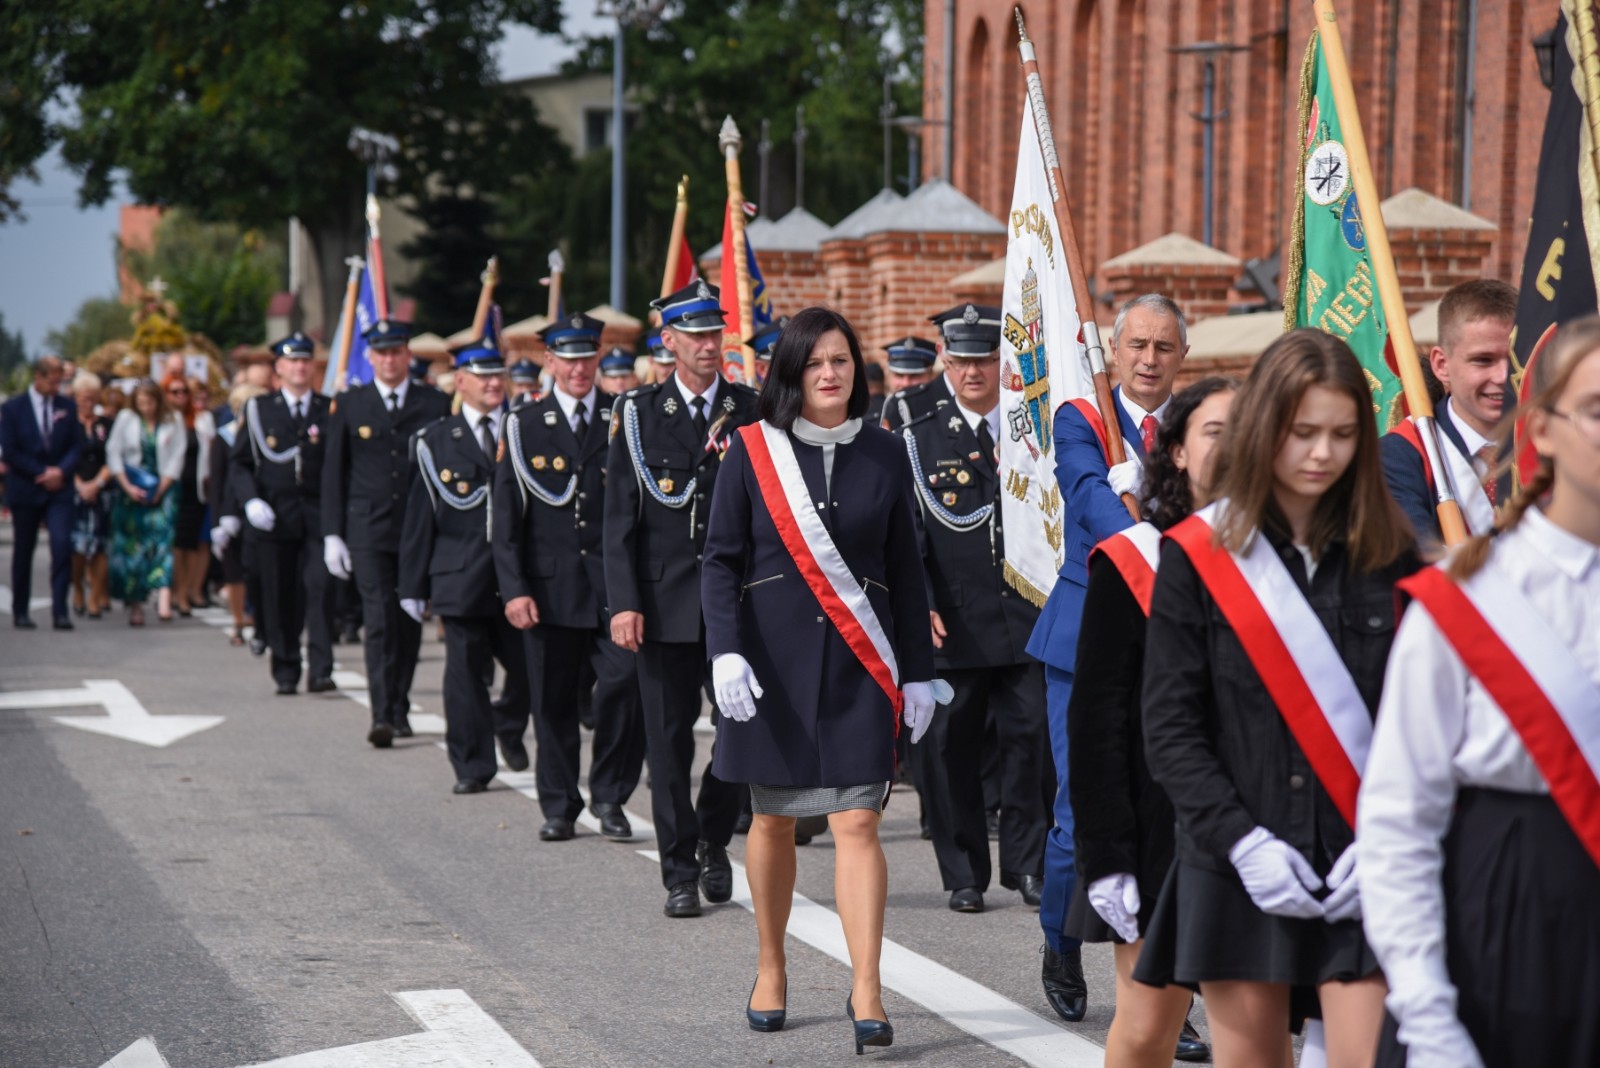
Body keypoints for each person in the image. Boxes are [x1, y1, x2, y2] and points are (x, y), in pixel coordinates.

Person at [1135, 328, 1419, 1068]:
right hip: (1238, 859)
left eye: (1343, 434)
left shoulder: (1392, 555)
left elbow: (1421, 722)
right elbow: (1170, 725)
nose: (1322, 453)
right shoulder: (1198, 553)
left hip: (1365, 858)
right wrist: (1243, 842)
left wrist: (1389, 836)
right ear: (1265, 428)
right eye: (1303, 433)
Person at [1360, 316, 1600, 1068]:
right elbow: (1399, 821)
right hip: (1511, 918)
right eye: (1597, 410)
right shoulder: (1471, 597)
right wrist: (1426, 1013)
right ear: (1544, 430)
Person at [701, 306, 939, 1050]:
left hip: (860, 664)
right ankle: (771, 965)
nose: (829, 373)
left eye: (840, 360)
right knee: (773, 819)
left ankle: (866, 987)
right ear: (790, 374)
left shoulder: (886, 451)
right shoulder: (751, 450)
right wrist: (725, 651)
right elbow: (720, 561)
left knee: (859, 819)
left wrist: (920, 673)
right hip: (770, 666)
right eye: (813, 363)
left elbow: (906, 569)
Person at [1024, 292, 1188, 1020]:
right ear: (1114, 351)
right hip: (1088, 634)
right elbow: (1087, 496)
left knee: (1171, 810)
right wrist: (1145, 529)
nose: (1149, 359)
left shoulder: (1195, 425)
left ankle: (1165, 990)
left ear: (1182, 356)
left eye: (1163, 347)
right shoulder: (1082, 417)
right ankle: (1061, 940)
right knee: (1076, 810)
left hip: (1175, 636)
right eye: (1138, 346)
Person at [1065, 378, 1238, 1066]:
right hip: (1159, 829)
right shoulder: (1135, 558)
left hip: (1263, 826)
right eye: (1214, 432)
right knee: (1146, 1030)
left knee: (1252, 1036)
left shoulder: (1289, 555)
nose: (1232, 446)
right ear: (1177, 452)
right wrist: (1107, 854)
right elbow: (1096, 718)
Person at [605, 280, 760, 918]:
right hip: (663, 602)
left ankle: (713, 837)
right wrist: (623, 602)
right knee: (667, 742)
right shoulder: (638, 413)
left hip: (737, 604)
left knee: (738, 734)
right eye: (694, 335)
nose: (707, 344)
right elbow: (619, 519)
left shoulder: (751, 409)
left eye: (714, 332)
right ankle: (678, 870)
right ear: (668, 341)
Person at [901, 302, 1051, 914]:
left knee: (1033, 740)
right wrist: (921, 603)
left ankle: (1028, 863)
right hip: (953, 620)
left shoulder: (1032, 430)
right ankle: (963, 872)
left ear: (1002, 361)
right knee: (949, 749)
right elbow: (905, 536)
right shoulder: (918, 434)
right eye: (961, 360)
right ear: (944, 359)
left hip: (1026, 613)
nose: (972, 372)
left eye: (985, 360)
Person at [495, 314, 645, 840]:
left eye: (587, 358)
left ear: (598, 358)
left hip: (613, 588)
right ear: (550, 362)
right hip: (550, 587)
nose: (579, 369)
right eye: (568, 359)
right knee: (553, 701)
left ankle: (610, 795)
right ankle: (559, 805)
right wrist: (514, 589)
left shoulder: (623, 417)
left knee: (625, 685)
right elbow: (506, 519)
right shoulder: (523, 424)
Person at [398, 335, 528, 794]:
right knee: (465, 674)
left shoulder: (523, 429)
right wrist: (412, 585)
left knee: (531, 668)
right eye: (482, 376)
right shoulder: (434, 440)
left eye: (498, 375)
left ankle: (507, 722)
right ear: (460, 381)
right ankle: (472, 764)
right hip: (460, 574)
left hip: (518, 577)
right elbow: (420, 517)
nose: (493, 383)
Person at [322, 319, 451, 747]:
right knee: (378, 618)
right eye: (381, 353)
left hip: (418, 528)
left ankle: (400, 704)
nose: (389, 360)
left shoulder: (433, 402)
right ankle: (381, 713)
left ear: (407, 355)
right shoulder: (351, 403)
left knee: (409, 619)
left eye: (396, 352)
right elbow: (334, 471)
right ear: (371, 357)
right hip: (368, 528)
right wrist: (332, 533)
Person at [230, 333, 336, 694]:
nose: (300, 367)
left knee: (320, 589)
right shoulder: (260, 409)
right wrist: (250, 501)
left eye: (305, 360)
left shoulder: (329, 408)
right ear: (279, 367)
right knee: (280, 594)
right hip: (276, 516)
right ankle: (287, 667)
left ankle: (321, 669)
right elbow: (240, 463)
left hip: (319, 515)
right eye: (292, 361)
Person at [1381, 280, 1517, 545]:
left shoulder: (1558, 443)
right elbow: (1419, 557)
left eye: (1513, 358)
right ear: (1442, 365)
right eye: (1483, 360)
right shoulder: (1400, 456)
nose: (1502, 376)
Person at [1, 355, 86, 629]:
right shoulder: (13, 408)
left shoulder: (67, 407)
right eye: (52, 382)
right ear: (38, 377)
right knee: (24, 549)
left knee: (61, 545)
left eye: (60, 382)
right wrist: (41, 472)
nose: (56, 387)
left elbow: (77, 445)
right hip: (27, 487)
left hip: (59, 489)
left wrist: (60, 471)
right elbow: (10, 450)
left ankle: (60, 611)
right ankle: (21, 610)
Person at [106, 379, 186, 626]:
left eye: (150, 403)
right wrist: (127, 487)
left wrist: (162, 488)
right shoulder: (126, 418)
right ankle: (136, 604)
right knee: (134, 547)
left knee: (164, 541)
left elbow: (177, 455)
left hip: (164, 487)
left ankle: (164, 596)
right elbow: (113, 452)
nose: (146, 408)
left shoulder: (173, 419)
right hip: (132, 487)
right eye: (141, 403)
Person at [209, 382, 266, 646]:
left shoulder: (266, 435)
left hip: (260, 511)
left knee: (257, 570)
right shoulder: (225, 437)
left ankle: (257, 617)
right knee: (233, 571)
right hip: (231, 512)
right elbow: (218, 481)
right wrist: (218, 521)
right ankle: (238, 620)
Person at [164, 372, 215, 615]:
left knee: (192, 543)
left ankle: (186, 591)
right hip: (172, 487)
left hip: (196, 488)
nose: (181, 396)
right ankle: (173, 591)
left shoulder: (202, 420)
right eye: (175, 392)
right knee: (175, 543)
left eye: (185, 392)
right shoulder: (166, 420)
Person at [69, 373, 114, 619]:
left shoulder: (106, 425)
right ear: (76, 397)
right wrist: (79, 485)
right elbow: (62, 456)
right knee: (77, 546)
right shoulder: (68, 424)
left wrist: (97, 484)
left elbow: (113, 458)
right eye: (84, 398)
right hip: (74, 489)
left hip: (102, 490)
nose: (89, 402)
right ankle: (78, 588)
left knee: (100, 546)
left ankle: (95, 596)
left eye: (93, 398)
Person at [879, 334, 944, 430]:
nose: (906, 383)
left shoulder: (943, 411)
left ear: (932, 375)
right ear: (888, 376)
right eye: (899, 375)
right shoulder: (876, 412)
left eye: (915, 376)